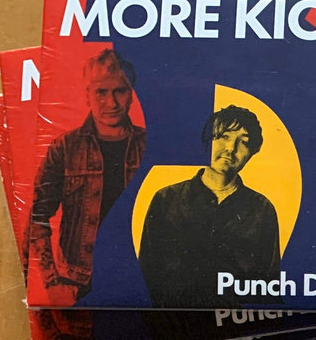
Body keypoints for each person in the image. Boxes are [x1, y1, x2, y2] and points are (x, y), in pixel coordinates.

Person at [29, 48, 146, 303]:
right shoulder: (65, 147)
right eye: (101, 92)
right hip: (77, 284)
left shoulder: (149, 145)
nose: (111, 103)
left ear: (132, 94)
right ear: (87, 95)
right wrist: (51, 282)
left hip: (137, 279)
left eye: (120, 91)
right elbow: (37, 216)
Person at [138, 105, 280, 307]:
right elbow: (146, 273)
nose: (231, 148)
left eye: (244, 142)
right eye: (224, 136)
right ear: (206, 141)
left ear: (253, 152)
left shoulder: (262, 209)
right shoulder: (166, 199)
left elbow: (268, 285)